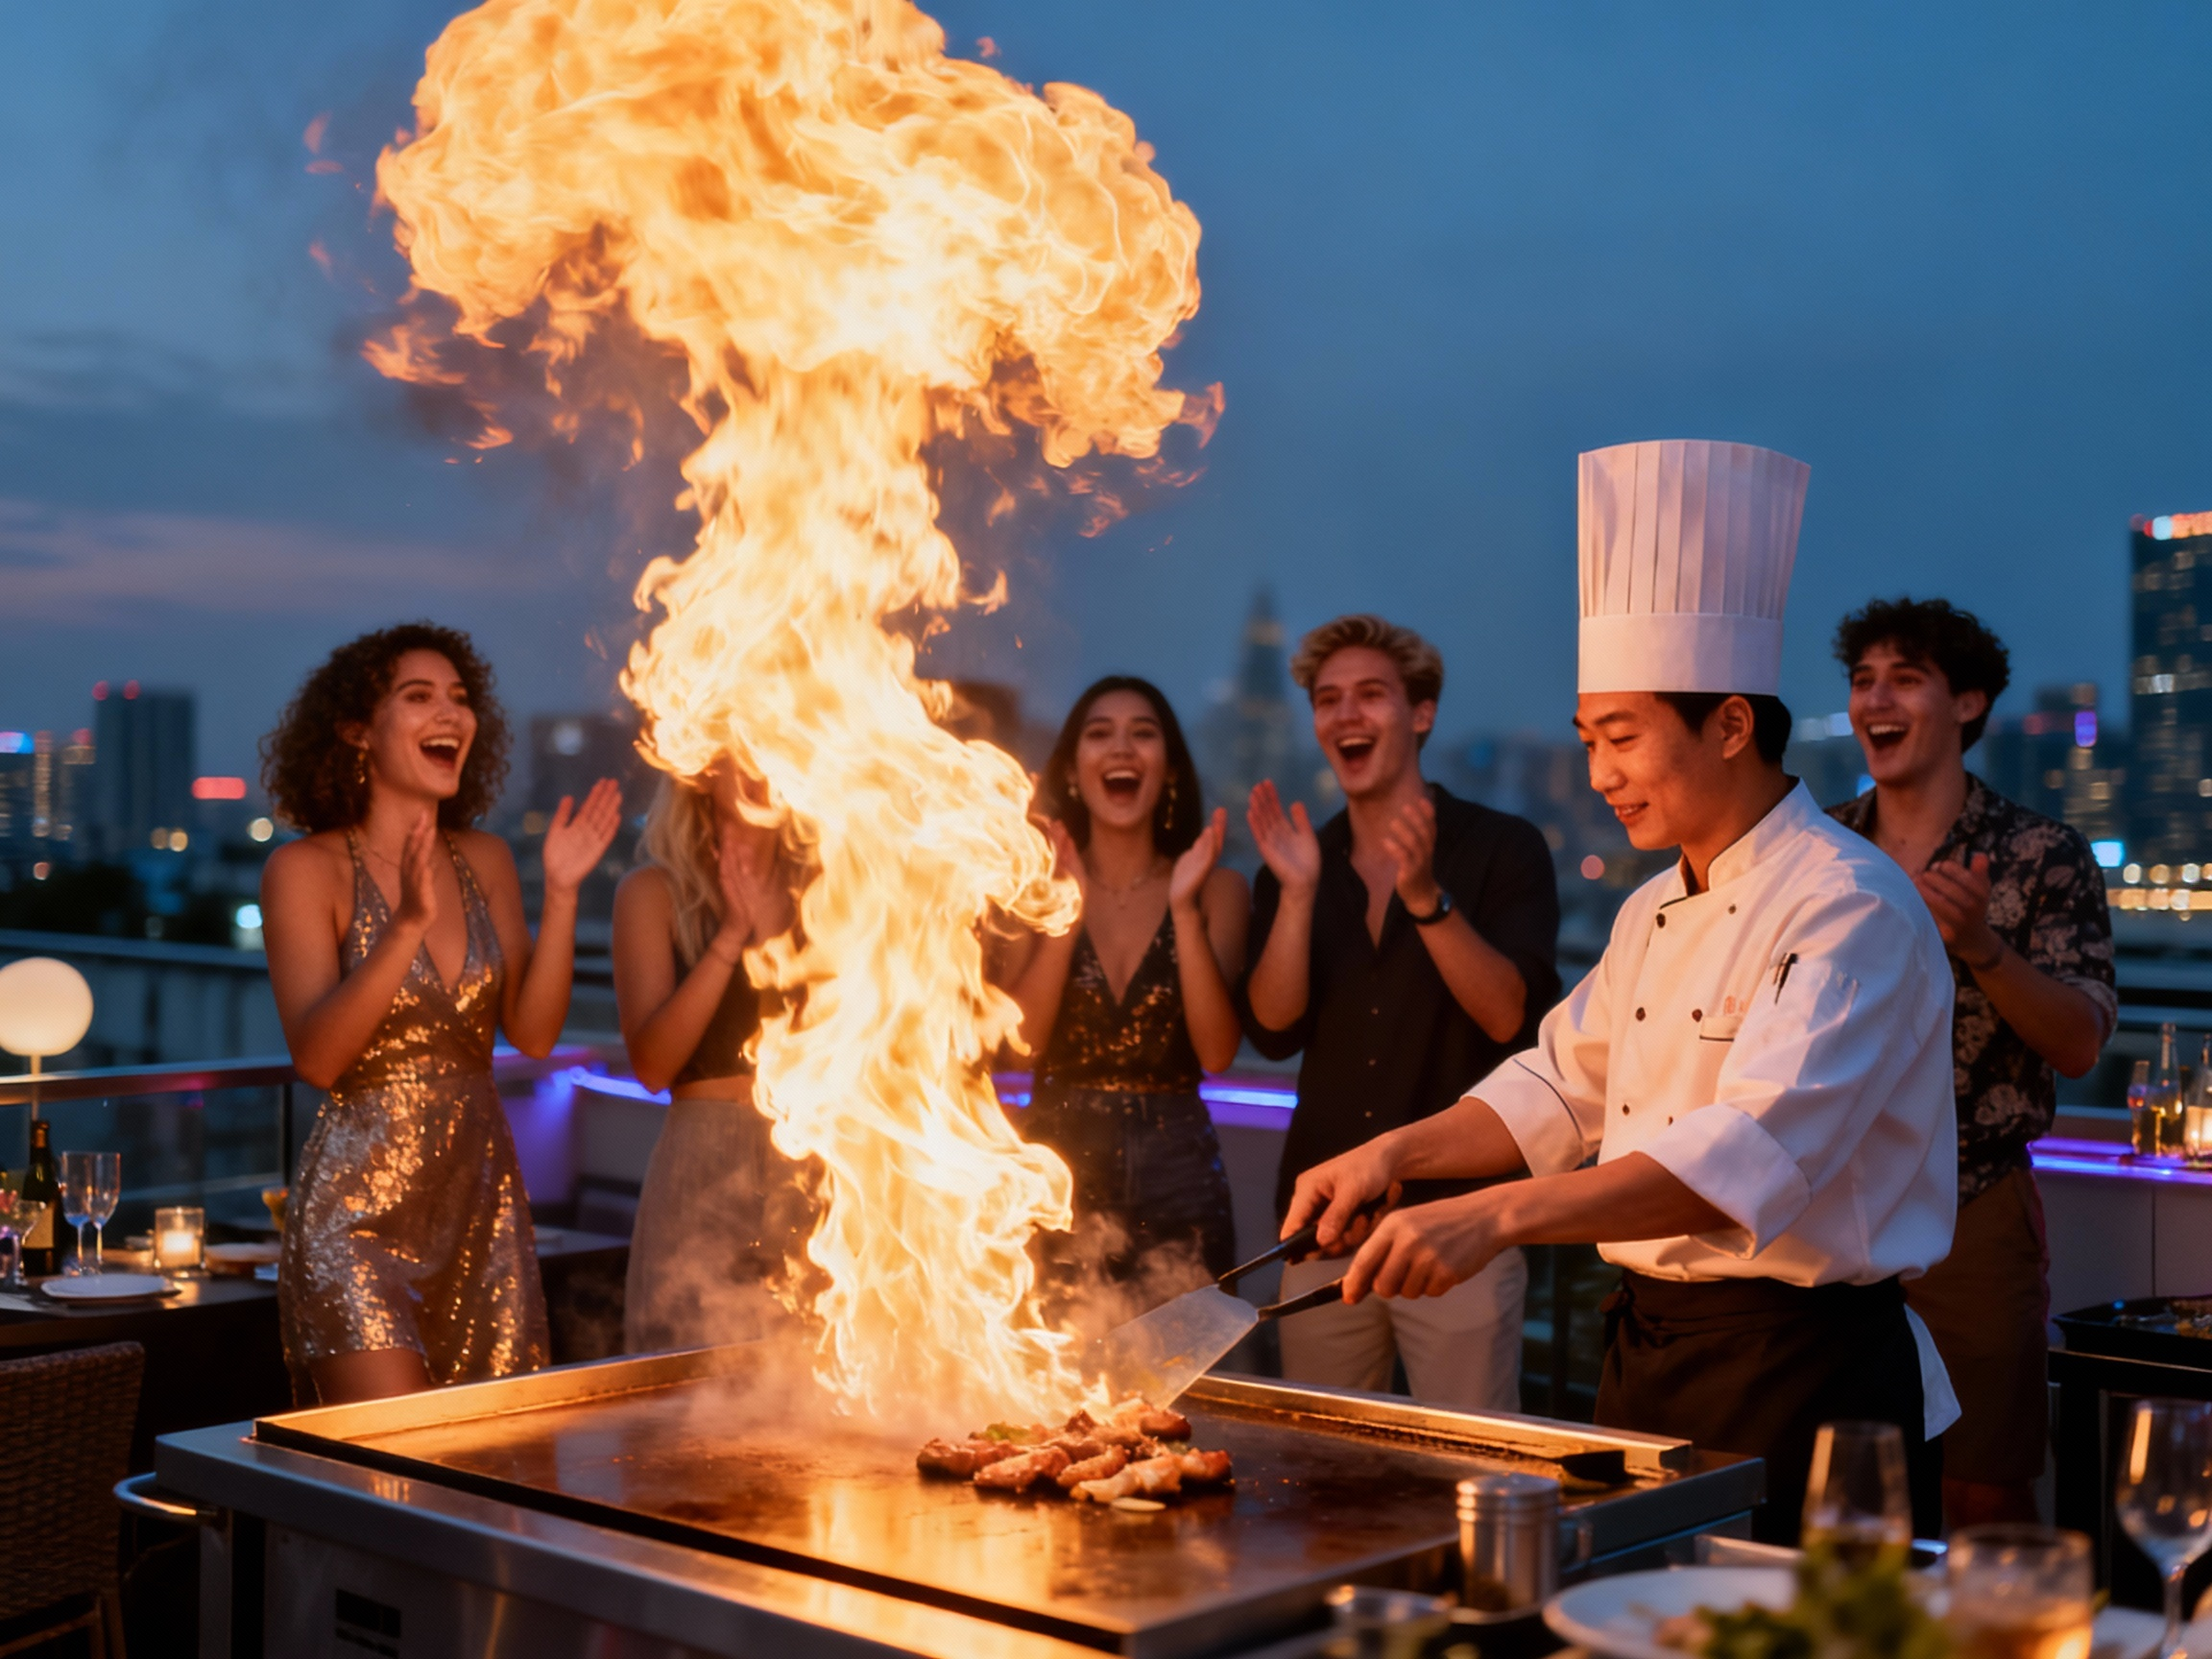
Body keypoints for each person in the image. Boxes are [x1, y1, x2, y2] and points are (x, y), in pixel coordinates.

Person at [1284, 442, 1960, 1543]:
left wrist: (1494, 1218)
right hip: (1646, 1363)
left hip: (1806, 1381)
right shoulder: (1653, 909)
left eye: (1624, 737)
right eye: (1588, 740)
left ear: (1730, 725)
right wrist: (1393, 1157)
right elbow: (1554, 1086)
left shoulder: (1851, 905)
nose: (1599, 773)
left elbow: (1746, 1156)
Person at [260, 623, 621, 1405]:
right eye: (418, 697)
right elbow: (318, 1061)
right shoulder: (303, 869)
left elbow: (531, 1033)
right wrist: (407, 927)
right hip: (355, 1221)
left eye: (460, 698)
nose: (450, 714)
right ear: (357, 730)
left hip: (480, 1213)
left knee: (491, 1471)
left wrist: (561, 894)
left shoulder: (485, 860)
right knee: (397, 1476)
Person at [1829, 597, 2115, 1527]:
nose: (1877, 696)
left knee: (1982, 1488)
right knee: (1841, 1486)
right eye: (1863, 679)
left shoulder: (2041, 852)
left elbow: (2078, 1043)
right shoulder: (1820, 850)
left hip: (1972, 1212)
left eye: (1905, 677)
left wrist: (1984, 947)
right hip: (1828, 1212)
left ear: (1968, 702)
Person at [1239, 614, 1560, 1413]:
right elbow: (1273, 1032)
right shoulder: (1296, 864)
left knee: (1471, 1463)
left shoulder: (1502, 848)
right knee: (1319, 1478)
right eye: (1328, 699)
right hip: (1324, 1228)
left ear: (1421, 713)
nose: (1346, 715)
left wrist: (1425, 899)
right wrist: (1301, 893)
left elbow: (1507, 1018)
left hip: (1460, 1231)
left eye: (1371, 695)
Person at [998, 677, 1250, 1296]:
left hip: (1179, 1168)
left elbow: (1217, 1053)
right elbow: (1018, 1048)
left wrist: (1184, 912)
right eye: (1099, 733)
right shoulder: (1029, 889)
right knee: (1048, 1374)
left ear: (1167, 772)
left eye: (1143, 733)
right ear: (1074, 772)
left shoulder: (1219, 890)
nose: (1121, 749)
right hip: (1056, 1163)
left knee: (1187, 1371)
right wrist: (1065, 909)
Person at [613, 765, 811, 1353]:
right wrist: (731, 936)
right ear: (703, 767)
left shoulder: (833, 892)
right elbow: (653, 1066)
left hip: (812, 1156)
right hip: (703, 1155)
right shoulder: (652, 892)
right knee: (684, 1383)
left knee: (815, 1380)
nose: (761, 765)